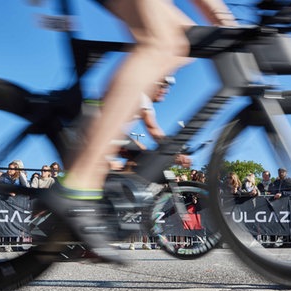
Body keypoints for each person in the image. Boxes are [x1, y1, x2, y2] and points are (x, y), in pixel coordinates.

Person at [45, 0, 239, 262]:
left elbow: (155, 131)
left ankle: (99, 201)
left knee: (183, 41)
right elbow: (154, 131)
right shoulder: (143, 99)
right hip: (102, 128)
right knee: (163, 43)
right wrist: (223, 18)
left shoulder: (146, 102)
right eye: (164, 85)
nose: (166, 90)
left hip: (110, 131)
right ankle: (81, 185)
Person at [269, 168, 291, 246]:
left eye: (282, 172)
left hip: (286, 205)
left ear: (286, 173)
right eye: (279, 172)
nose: (281, 173)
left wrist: (282, 193)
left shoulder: (289, 181)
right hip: (276, 205)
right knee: (273, 222)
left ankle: (287, 242)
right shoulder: (276, 182)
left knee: (285, 223)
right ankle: (272, 242)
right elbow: (272, 190)